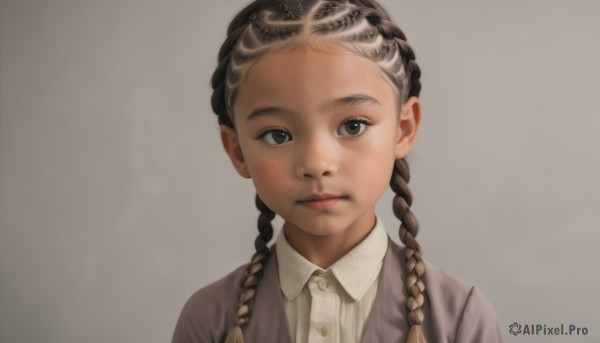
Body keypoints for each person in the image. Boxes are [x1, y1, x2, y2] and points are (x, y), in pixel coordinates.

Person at [172, 0, 503, 342]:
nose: (316, 164)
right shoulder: (209, 320)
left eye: (353, 126)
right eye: (277, 135)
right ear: (237, 150)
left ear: (403, 129)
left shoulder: (460, 318)